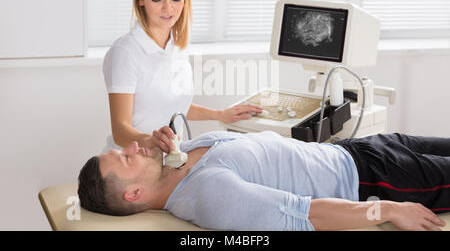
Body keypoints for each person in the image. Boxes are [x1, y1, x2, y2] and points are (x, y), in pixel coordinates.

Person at [78, 130, 449, 231]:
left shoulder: (176, 161)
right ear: (134, 193)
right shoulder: (210, 196)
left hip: (360, 149)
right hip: (378, 180)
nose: (132, 146)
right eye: (125, 157)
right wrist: (388, 209)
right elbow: (304, 216)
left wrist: (173, 148)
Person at [102, 0, 261, 154]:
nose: (168, 8)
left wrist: (220, 115)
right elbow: (120, 131)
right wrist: (154, 141)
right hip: (132, 163)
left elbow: (172, 104)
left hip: (167, 162)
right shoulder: (125, 52)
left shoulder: (176, 46)